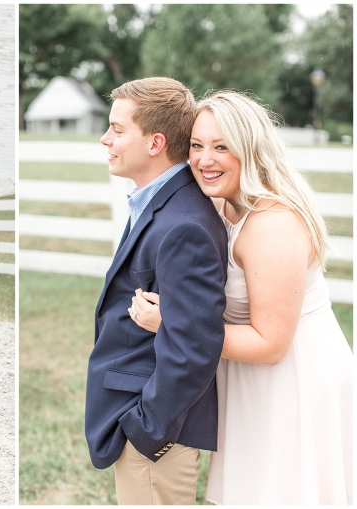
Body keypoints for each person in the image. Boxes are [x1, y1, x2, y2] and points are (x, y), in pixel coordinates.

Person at [129, 91, 353, 504]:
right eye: (197, 145)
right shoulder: (225, 205)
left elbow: (271, 344)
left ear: (250, 149)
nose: (204, 159)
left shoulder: (272, 225)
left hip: (293, 383)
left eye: (221, 146)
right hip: (252, 382)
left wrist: (174, 325)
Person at [85, 77, 229, 505]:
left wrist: (148, 431)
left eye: (118, 129)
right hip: (140, 417)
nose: (105, 138)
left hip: (156, 437)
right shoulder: (157, 201)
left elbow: (194, 346)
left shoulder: (183, 223)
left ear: (155, 142)